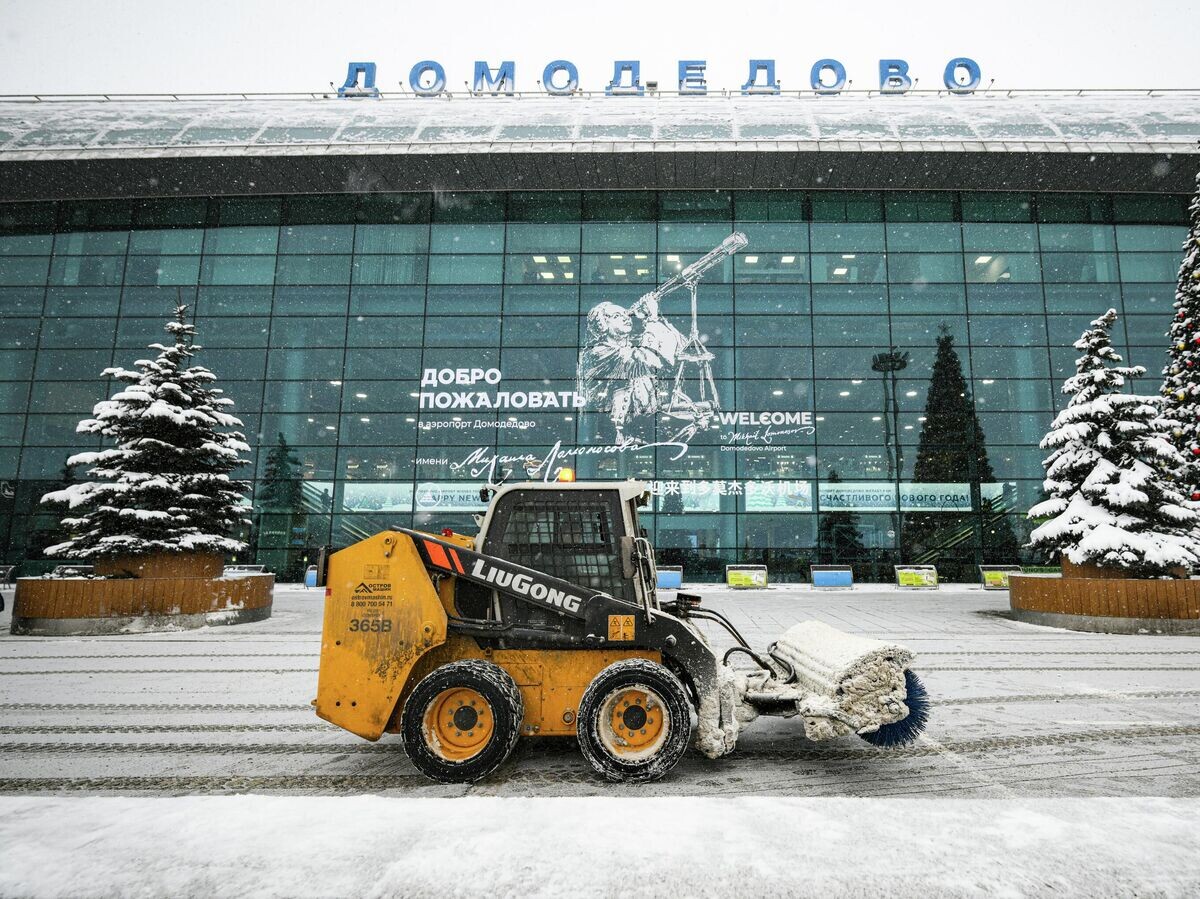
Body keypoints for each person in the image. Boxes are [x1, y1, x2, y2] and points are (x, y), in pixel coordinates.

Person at [577, 293, 683, 444]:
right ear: (602, 325)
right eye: (616, 316)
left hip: (642, 428)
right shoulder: (598, 352)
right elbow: (650, 361)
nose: (626, 318)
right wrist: (652, 318)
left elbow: (676, 348)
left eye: (626, 314)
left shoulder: (634, 344)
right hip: (613, 434)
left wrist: (653, 318)